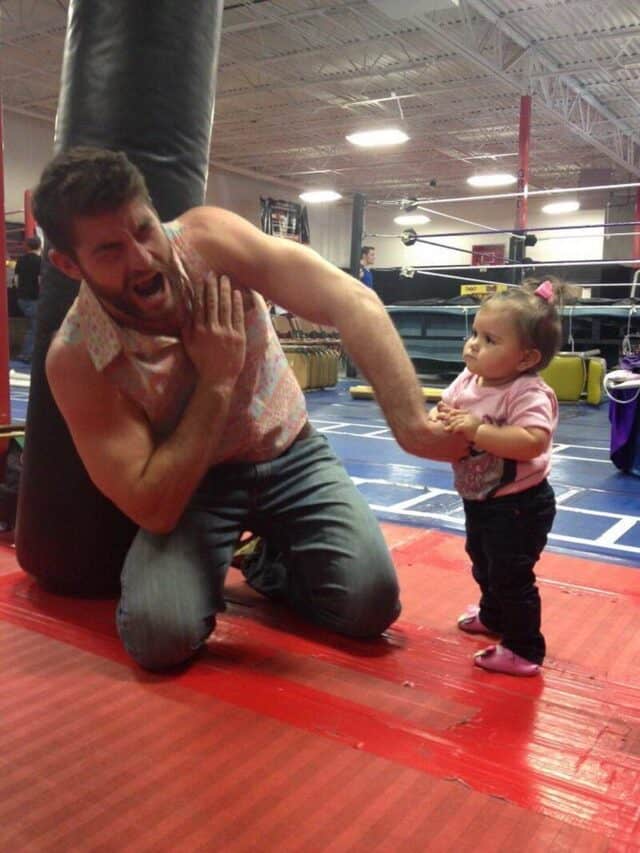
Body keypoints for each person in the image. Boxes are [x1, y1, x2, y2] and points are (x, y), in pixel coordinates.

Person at [32, 146, 467, 672]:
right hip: (195, 486)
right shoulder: (80, 357)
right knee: (159, 638)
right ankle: (221, 557)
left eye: (144, 231)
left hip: (290, 454)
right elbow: (153, 507)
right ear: (68, 264)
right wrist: (216, 379)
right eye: (109, 251)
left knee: (370, 607)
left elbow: (350, 300)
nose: (142, 260)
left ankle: (268, 559)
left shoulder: (210, 241)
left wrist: (413, 426)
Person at [432, 278, 567, 677]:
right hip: (480, 498)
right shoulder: (468, 378)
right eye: (475, 333)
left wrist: (478, 430)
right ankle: (493, 615)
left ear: (526, 359)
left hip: (520, 504)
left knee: (511, 576)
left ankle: (524, 648)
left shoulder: (526, 392)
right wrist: (435, 421)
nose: (474, 345)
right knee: (483, 562)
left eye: (490, 340)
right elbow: (444, 407)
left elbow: (532, 442)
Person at [14, 235, 42, 363]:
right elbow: (40, 281)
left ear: (27, 247)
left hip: (21, 298)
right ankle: (25, 355)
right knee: (34, 329)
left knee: (32, 327)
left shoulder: (20, 260)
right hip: (34, 299)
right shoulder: (40, 261)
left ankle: (28, 354)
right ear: (40, 246)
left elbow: (15, 280)